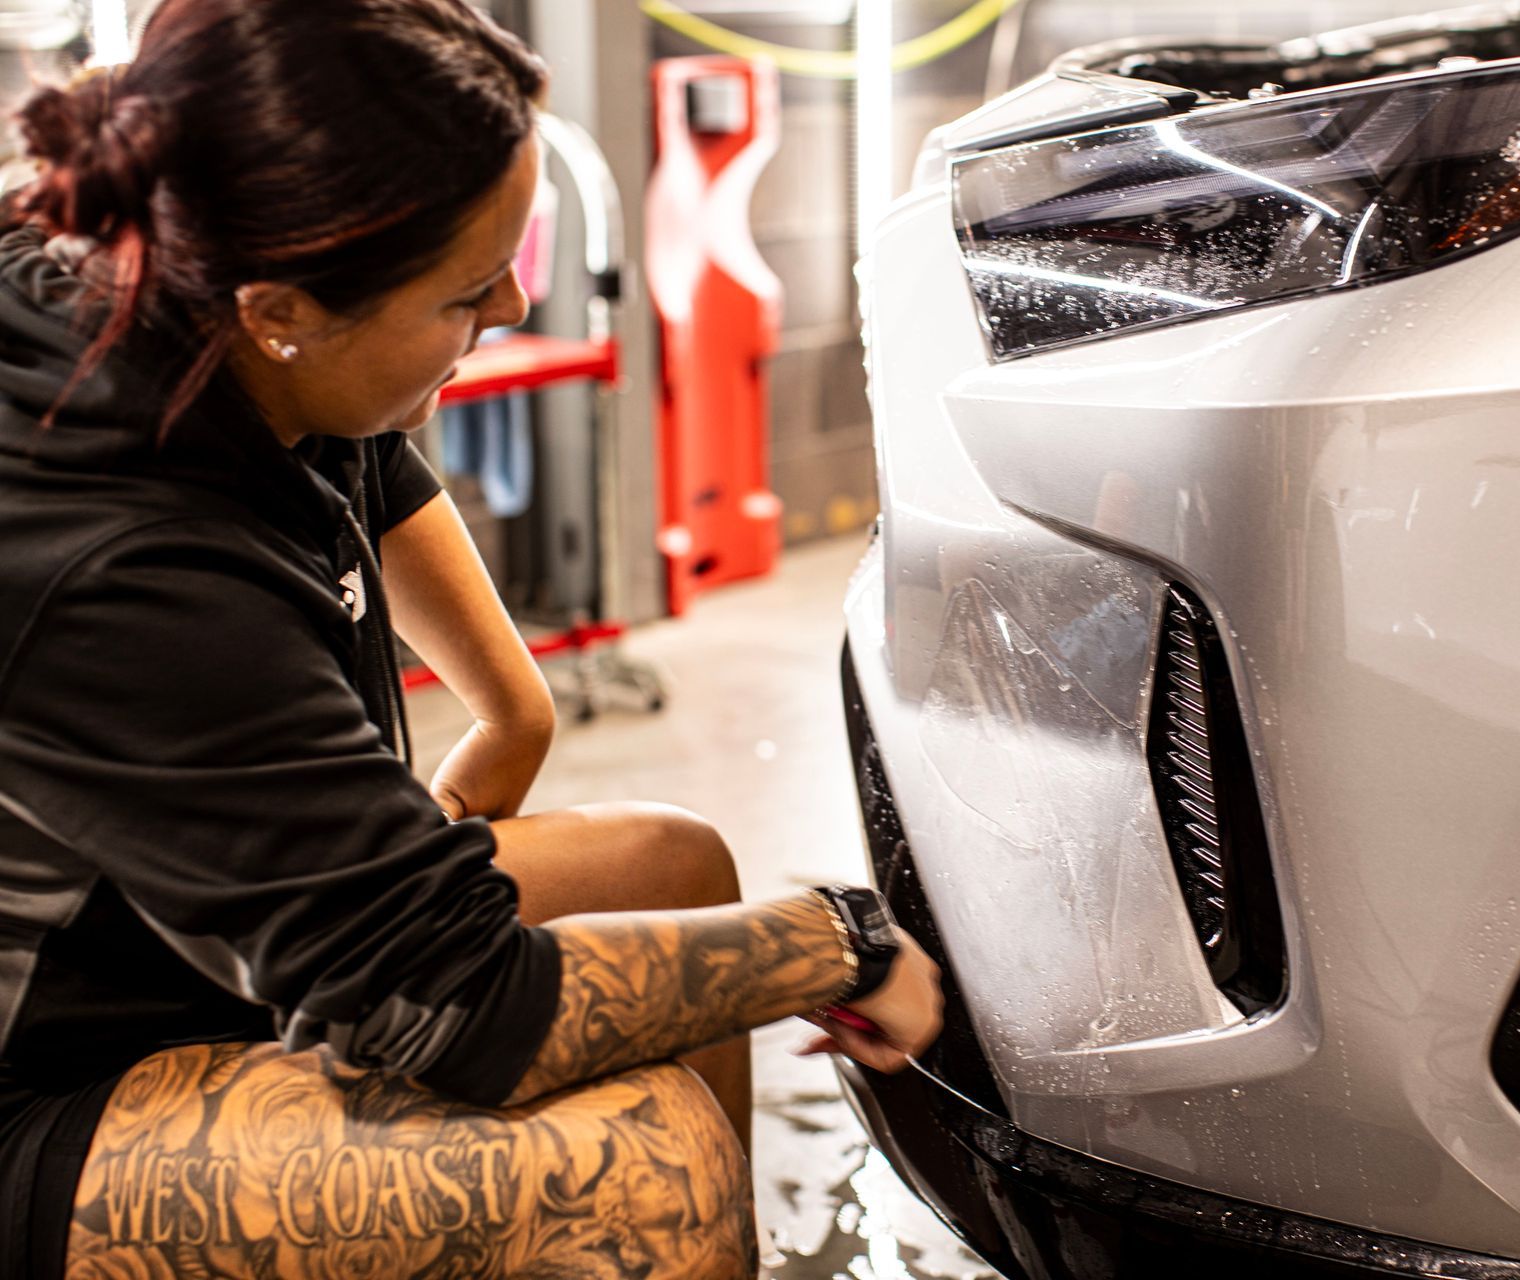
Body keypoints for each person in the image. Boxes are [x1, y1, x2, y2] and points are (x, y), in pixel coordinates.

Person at [0, 2, 943, 1277]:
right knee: (638, 1172)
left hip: (175, 933)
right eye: (462, 294)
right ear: (282, 307)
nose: (510, 299)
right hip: (43, 1074)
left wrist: (515, 708)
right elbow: (453, 1002)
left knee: (670, 859)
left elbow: (357, 434)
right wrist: (840, 938)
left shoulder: (185, 277)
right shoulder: (124, 559)